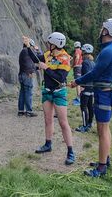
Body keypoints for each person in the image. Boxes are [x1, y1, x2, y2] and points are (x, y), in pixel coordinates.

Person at [70, 18, 112, 177]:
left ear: (107, 31)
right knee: (105, 130)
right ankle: (105, 159)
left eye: (103, 28)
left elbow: (94, 73)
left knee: (102, 131)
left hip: (104, 94)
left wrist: (76, 82)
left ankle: (101, 168)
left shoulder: (109, 51)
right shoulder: (111, 49)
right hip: (106, 93)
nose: (100, 30)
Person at [22, 32, 75, 165]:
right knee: (48, 120)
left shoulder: (65, 58)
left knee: (63, 123)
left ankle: (70, 152)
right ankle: (48, 144)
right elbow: (35, 59)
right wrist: (28, 46)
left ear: (55, 44)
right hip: (47, 91)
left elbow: (60, 78)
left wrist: (47, 68)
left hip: (59, 92)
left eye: (49, 43)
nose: (47, 45)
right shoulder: (47, 55)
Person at [75, 44, 95, 133]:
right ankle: (90, 123)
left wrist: (82, 86)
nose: (81, 53)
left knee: (83, 107)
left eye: (82, 51)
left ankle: (84, 126)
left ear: (85, 52)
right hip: (92, 88)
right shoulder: (93, 63)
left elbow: (86, 75)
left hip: (86, 88)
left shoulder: (85, 62)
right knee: (90, 107)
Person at [18, 39, 38, 117]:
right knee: (28, 92)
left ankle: (21, 110)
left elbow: (28, 63)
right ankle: (29, 111)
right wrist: (31, 72)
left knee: (22, 92)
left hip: (21, 74)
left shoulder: (22, 51)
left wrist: (36, 68)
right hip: (27, 74)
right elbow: (29, 64)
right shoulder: (27, 51)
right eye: (32, 46)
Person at [72, 41, 83, 106]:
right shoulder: (82, 51)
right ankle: (81, 95)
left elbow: (77, 57)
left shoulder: (77, 51)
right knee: (81, 81)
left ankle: (78, 97)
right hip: (82, 67)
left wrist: (75, 64)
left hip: (77, 67)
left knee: (77, 82)